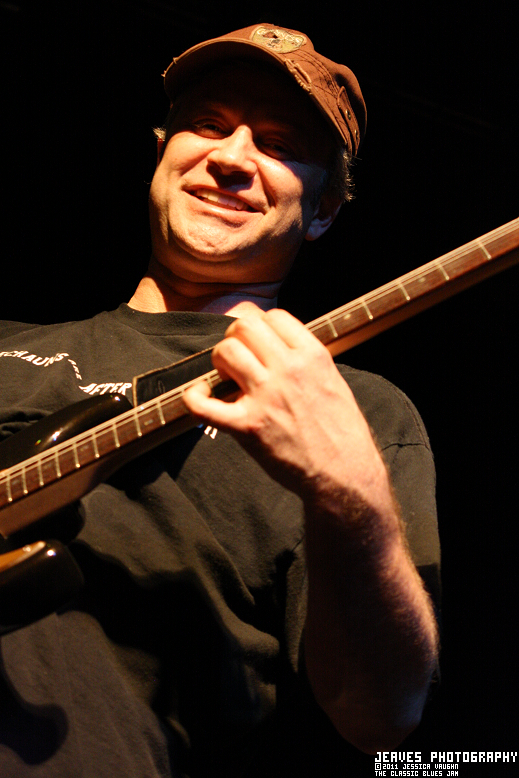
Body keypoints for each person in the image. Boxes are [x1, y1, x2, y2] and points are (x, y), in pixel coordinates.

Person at [0, 23, 440, 778]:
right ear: (162, 155)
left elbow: (383, 720)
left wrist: (351, 492)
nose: (232, 157)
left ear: (324, 211)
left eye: (279, 144)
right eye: (207, 124)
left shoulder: (357, 409)